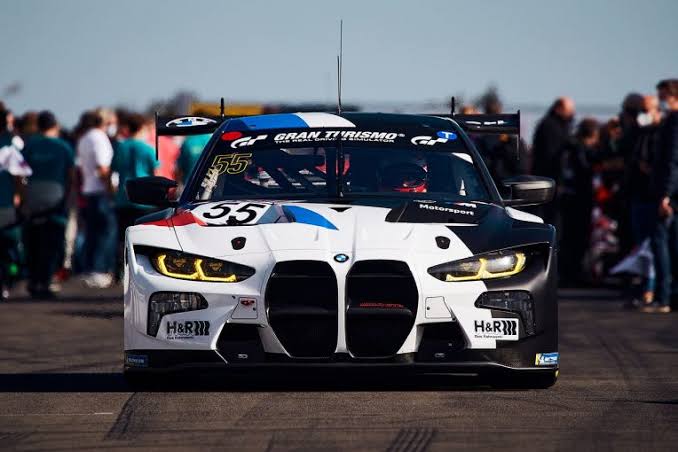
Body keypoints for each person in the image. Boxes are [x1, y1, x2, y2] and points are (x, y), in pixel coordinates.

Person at [21, 111, 74, 299]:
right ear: (55, 126)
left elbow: (20, 172)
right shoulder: (63, 147)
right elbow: (71, 174)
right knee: (53, 241)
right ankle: (46, 280)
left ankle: (33, 279)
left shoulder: (30, 145)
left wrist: (23, 197)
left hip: (34, 194)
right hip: (55, 194)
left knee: (34, 238)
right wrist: (67, 196)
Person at [643, 79, 678, 313]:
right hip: (671, 190)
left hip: (667, 193)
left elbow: (672, 161)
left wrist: (665, 194)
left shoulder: (674, 122)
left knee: (661, 242)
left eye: (663, 96)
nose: (662, 101)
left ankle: (664, 296)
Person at [111, 113, 159, 274]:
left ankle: (120, 271)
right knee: (143, 239)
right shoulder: (147, 148)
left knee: (122, 237)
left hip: (123, 197)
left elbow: (112, 170)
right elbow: (156, 173)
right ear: (141, 128)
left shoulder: (121, 147)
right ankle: (141, 270)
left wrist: (111, 192)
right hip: (145, 200)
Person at [77, 110, 116, 288]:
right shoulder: (100, 138)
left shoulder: (85, 138)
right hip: (100, 191)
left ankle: (90, 268)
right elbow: (103, 168)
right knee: (106, 231)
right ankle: (100, 269)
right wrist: (110, 189)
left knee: (92, 233)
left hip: (89, 190)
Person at [558, 118, 599, 285]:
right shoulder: (579, 151)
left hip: (569, 198)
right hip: (579, 200)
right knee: (578, 238)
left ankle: (568, 272)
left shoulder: (568, 148)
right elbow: (584, 171)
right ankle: (574, 273)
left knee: (569, 237)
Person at [0, 107, 32, 300]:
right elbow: (19, 178)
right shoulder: (9, 149)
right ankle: (7, 280)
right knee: (8, 249)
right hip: (5, 206)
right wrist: (23, 202)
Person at [531, 97, 576, 227]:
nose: (572, 114)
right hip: (549, 180)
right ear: (559, 109)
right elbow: (551, 156)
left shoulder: (559, 126)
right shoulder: (550, 127)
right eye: (569, 110)